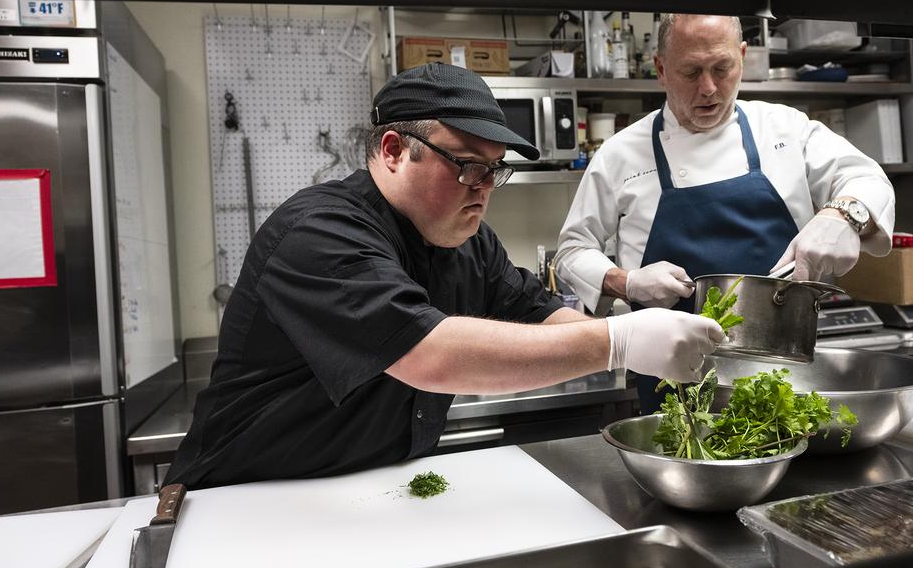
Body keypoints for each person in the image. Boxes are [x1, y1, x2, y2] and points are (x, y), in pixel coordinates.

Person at [165, 63, 725, 489]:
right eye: (465, 164)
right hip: (245, 500)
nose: (483, 185)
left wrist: (625, 320)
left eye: (495, 168)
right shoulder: (319, 234)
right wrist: (618, 341)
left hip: (372, 490)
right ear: (392, 150)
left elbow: (536, 309)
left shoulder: (466, 238)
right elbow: (428, 353)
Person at [554, 14, 895, 414]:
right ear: (661, 69)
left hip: (785, 380)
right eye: (691, 71)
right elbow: (572, 251)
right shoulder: (620, 154)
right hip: (673, 394)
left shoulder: (785, 130)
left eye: (722, 68)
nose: (709, 88)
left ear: (743, 57)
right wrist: (626, 282)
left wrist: (843, 215)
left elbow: (866, 179)